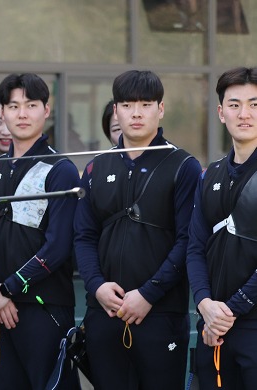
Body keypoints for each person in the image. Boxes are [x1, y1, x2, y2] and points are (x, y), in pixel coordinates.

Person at [73, 70, 201, 390]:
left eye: (146, 104)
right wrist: (97, 286)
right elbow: (84, 235)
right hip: (105, 311)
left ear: (160, 109)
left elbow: (188, 239)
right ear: (115, 110)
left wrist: (148, 293)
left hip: (160, 314)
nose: (137, 113)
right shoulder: (96, 167)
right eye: (127, 105)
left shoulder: (183, 165)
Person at [0, 73, 80, 390]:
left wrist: (8, 289)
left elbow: (58, 247)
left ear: (47, 109)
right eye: (13, 106)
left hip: (44, 307)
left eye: (31, 105)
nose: (22, 114)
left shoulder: (61, 169)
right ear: (3, 112)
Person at [187, 67, 257, 389]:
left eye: (255, 104)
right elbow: (195, 247)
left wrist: (229, 310)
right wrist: (204, 304)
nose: (244, 114)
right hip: (212, 328)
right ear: (220, 112)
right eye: (235, 104)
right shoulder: (210, 174)